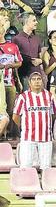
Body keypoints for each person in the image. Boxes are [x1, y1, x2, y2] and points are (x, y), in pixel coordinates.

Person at [12, 71, 56, 171]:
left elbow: (53, 115)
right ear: (29, 82)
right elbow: (15, 116)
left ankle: (47, 186)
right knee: (26, 166)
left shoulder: (49, 96)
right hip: (28, 138)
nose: (37, 82)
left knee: (46, 167)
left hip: (46, 137)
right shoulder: (23, 97)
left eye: (39, 79)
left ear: (43, 81)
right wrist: (24, 127)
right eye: (34, 79)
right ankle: (25, 185)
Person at [0, 11, 22, 139]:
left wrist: (9, 66)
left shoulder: (12, 46)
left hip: (9, 82)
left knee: (10, 109)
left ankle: (8, 133)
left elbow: (19, 62)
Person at [13, 13, 44, 87]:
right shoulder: (16, 39)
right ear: (26, 22)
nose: (36, 22)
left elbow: (40, 55)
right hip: (24, 75)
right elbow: (15, 58)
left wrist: (41, 60)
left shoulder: (37, 38)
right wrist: (30, 60)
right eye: (34, 20)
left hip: (37, 75)